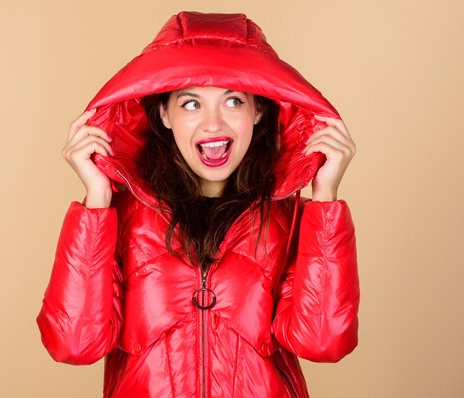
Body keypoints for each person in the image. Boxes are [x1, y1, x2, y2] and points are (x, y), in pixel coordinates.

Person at [36, 11, 359, 398]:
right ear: (163, 113)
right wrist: (97, 201)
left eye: (233, 101)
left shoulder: (288, 218)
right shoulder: (118, 217)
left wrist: (324, 199)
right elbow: (73, 344)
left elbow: (324, 342)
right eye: (191, 104)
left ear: (258, 111)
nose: (212, 124)